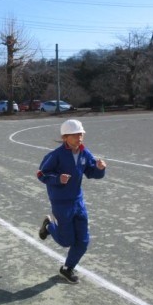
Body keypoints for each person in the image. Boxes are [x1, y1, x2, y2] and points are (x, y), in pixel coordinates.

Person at [36, 119, 107, 283]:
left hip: (78, 202)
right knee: (66, 240)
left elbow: (91, 172)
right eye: (75, 135)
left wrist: (99, 169)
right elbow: (41, 174)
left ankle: (67, 268)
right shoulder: (56, 155)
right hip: (61, 203)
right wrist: (58, 179)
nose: (79, 138)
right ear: (65, 137)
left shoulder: (84, 152)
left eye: (81, 134)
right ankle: (49, 225)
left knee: (83, 241)